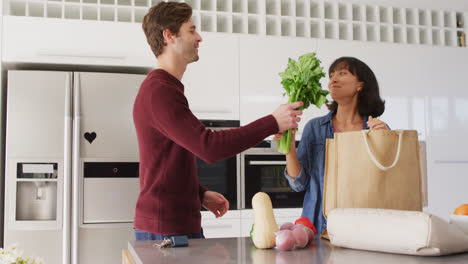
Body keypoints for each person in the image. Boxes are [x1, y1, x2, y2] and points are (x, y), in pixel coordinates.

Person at [133, 2, 303, 240]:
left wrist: (198, 194)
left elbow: (167, 159)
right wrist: (272, 122)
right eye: (191, 30)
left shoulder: (165, 89)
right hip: (166, 230)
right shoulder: (160, 91)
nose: (199, 37)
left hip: (171, 225)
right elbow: (209, 147)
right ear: (169, 36)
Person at [274, 56, 389, 236]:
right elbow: (299, 184)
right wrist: (289, 149)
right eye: (331, 75)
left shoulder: (377, 129)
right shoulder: (315, 128)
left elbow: (386, 184)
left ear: (360, 84)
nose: (333, 79)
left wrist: (384, 141)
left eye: (342, 73)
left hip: (365, 228)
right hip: (318, 227)